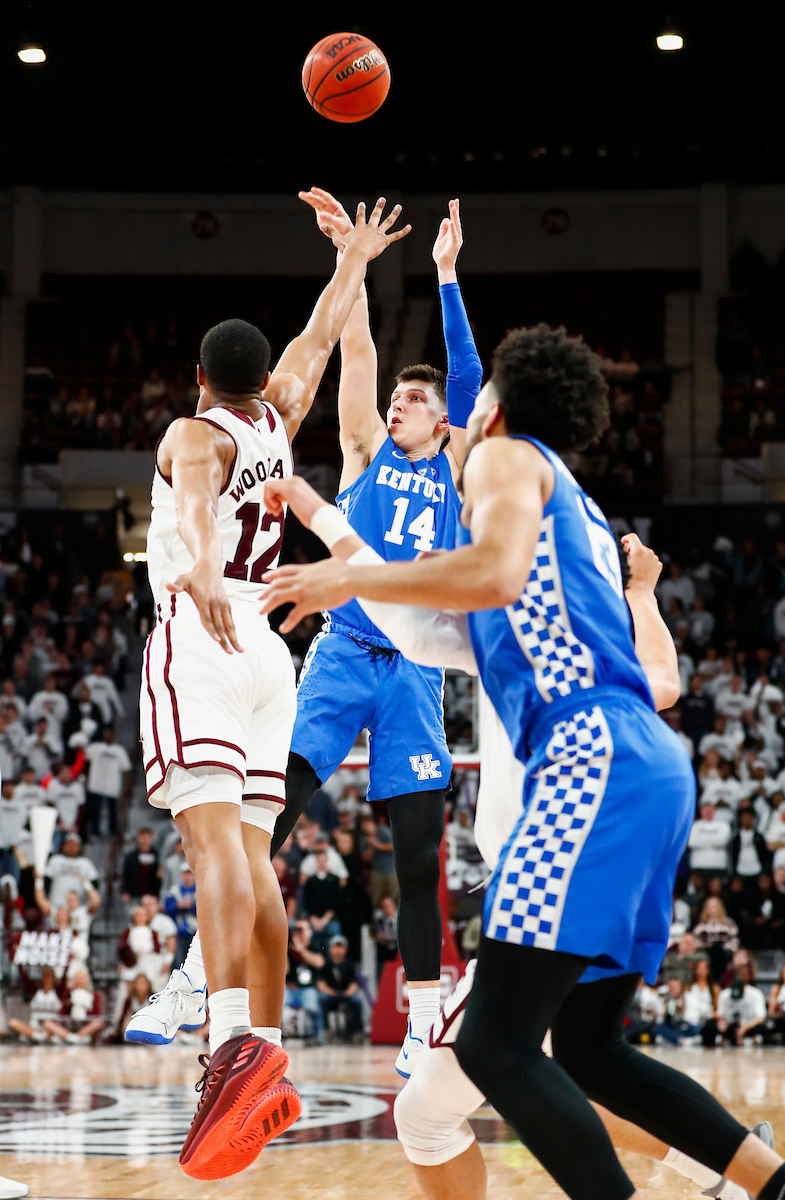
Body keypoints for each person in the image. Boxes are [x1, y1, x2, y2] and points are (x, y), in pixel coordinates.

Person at [259, 324, 785, 1200]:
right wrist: (323, 524)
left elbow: (490, 572)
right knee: (591, 1052)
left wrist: (341, 578)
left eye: (473, 404)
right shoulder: (576, 522)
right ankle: (775, 1185)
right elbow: (418, 619)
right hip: (649, 768)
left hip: (587, 761)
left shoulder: (507, 461)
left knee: (493, 1048)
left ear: (497, 409)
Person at [129, 198, 409, 1181]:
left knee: (214, 852)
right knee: (251, 857)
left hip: (206, 631)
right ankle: (267, 1044)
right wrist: (351, 262)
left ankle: (229, 1049)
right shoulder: (281, 413)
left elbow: (198, 507)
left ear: (200, 379)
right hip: (270, 650)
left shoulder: (193, 434)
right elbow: (321, 335)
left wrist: (199, 573)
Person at [270, 188, 482, 1075]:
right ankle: (201, 972)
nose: (398, 406)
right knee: (271, 807)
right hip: (345, 652)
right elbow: (353, 346)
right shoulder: (363, 448)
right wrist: (348, 259)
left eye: (414, 402)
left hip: (415, 671)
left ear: (442, 420)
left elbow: (467, 376)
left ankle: (427, 1021)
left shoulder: (459, 466)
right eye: (397, 400)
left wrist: (443, 274)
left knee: (419, 847)